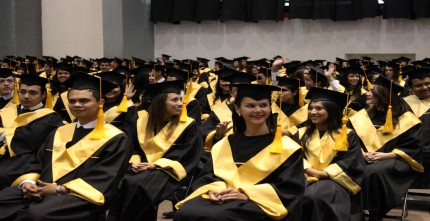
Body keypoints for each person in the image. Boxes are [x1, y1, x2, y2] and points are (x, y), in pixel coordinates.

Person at [0, 72, 131, 220]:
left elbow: (105, 178)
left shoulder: (116, 138)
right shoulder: (60, 131)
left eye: (84, 101)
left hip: (79, 196)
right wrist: (28, 182)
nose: (77, 105)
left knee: (37, 213)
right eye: (72, 101)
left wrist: (58, 189)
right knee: (4, 200)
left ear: (100, 103)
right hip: (42, 189)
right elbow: (38, 161)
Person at [175, 83, 305, 221]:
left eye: (263, 105)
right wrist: (211, 190)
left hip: (260, 202)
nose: (258, 110)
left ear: (270, 108)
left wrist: (247, 194)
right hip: (221, 196)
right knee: (186, 211)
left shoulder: (286, 147)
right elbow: (207, 177)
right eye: (250, 106)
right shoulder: (226, 143)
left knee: (219, 216)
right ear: (237, 109)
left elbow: (290, 189)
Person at [107, 80, 203, 221]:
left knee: (138, 185)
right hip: (142, 166)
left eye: (180, 99)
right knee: (120, 180)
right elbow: (132, 145)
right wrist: (134, 161)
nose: (180, 103)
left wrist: (156, 165)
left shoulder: (188, 124)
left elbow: (188, 153)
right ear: (160, 102)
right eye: (174, 100)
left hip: (171, 169)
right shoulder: (142, 120)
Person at [349, 75, 423, 221]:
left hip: (396, 161)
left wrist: (385, 156)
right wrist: (362, 153)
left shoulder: (407, 120)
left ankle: (376, 214)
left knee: (373, 172)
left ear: (382, 96)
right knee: (350, 169)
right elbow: (351, 140)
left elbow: (413, 146)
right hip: (363, 157)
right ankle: (353, 212)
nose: (367, 93)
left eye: (372, 91)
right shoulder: (363, 116)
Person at [292, 87, 365, 221]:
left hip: (334, 181)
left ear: (331, 111)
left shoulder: (347, 135)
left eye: (319, 109)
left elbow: (351, 162)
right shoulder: (301, 133)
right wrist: (310, 171)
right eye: (311, 108)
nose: (313, 112)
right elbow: (294, 158)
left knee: (315, 195)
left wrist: (323, 174)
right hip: (304, 178)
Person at [0, 74, 64, 190]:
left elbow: (28, 141)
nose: (26, 96)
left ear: (43, 95)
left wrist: (4, 133)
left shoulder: (50, 118)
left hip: (25, 163)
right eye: (22, 92)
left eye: (32, 93)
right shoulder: (6, 112)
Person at [403, 68, 430, 188]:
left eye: (427, 83)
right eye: (419, 85)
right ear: (411, 89)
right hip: (410, 151)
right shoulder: (403, 104)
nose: (424, 87)